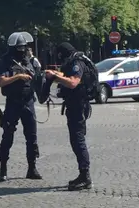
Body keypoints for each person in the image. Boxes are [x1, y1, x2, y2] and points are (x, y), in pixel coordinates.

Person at [45, 42, 94, 191]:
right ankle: (83, 175)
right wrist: (54, 74)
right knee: (76, 140)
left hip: (78, 106)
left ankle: (85, 176)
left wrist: (56, 78)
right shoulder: (75, 60)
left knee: (78, 140)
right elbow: (68, 76)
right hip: (75, 105)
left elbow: (73, 82)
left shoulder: (77, 62)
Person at [0, 32, 42, 182]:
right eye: (20, 48)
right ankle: (3, 168)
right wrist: (18, 77)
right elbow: (2, 81)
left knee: (32, 135)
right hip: (13, 102)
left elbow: (37, 78)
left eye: (24, 47)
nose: (22, 51)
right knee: (8, 135)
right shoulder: (6, 61)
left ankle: (32, 167)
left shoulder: (30, 61)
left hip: (28, 101)